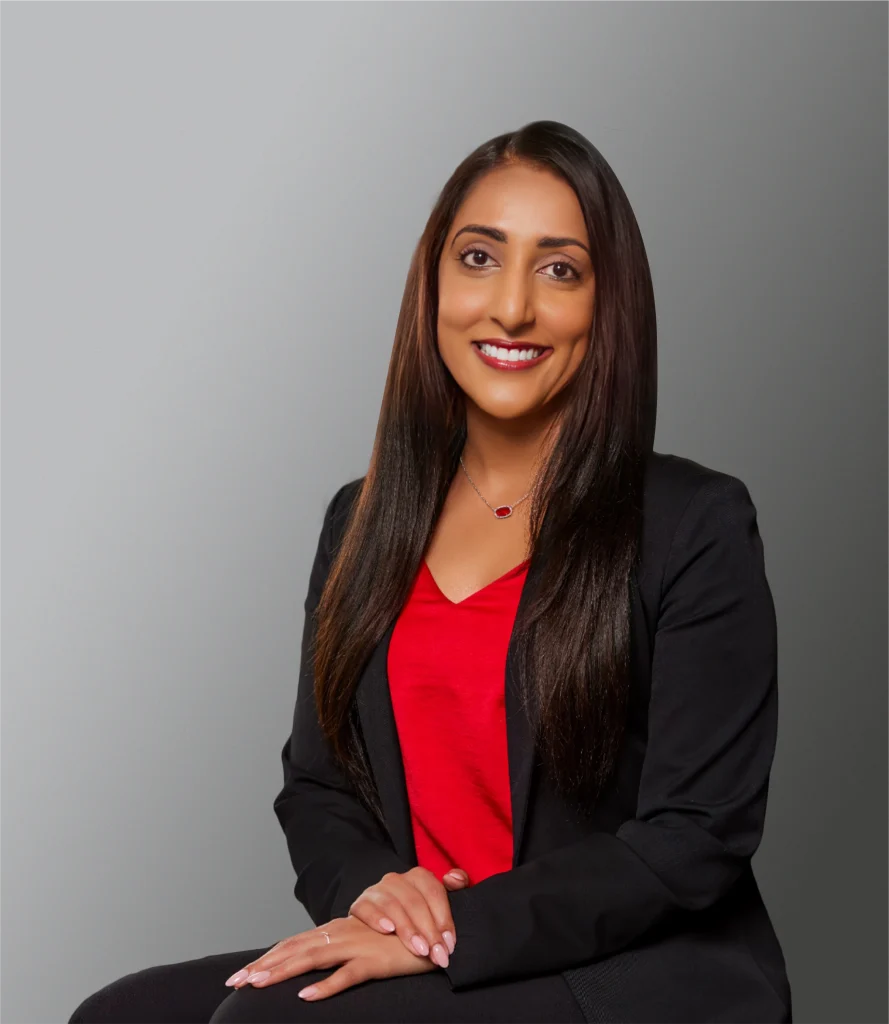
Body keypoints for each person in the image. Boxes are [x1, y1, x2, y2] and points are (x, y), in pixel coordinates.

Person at [69, 119, 792, 1023]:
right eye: (479, 258)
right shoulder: (361, 519)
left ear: (607, 306)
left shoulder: (694, 523)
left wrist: (455, 928)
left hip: (628, 968)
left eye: (558, 269)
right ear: (433, 283)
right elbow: (318, 787)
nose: (512, 307)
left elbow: (694, 836)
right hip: (435, 944)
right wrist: (379, 896)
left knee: (271, 1021)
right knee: (121, 1015)